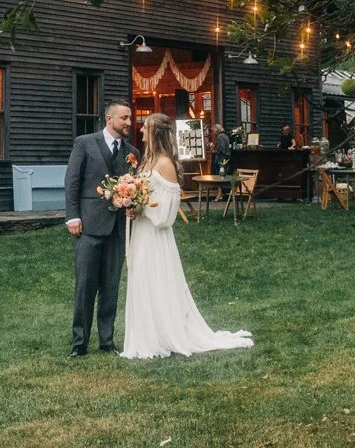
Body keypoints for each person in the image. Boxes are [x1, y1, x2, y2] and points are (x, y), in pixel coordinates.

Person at [121, 113, 253, 360]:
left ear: (156, 133)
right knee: (142, 279)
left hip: (156, 237)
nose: (140, 132)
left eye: (145, 128)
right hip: (142, 233)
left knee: (156, 280)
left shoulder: (164, 164)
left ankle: (164, 334)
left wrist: (142, 207)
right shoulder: (146, 161)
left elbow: (168, 212)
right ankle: (147, 334)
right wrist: (132, 203)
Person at [63, 99, 138, 357]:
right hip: (88, 227)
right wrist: (73, 217)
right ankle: (79, 343)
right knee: (85, 286)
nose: (129, 123)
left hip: (117, 228)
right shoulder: (84, 143)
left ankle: (107, 341)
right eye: (124, 118)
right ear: (109, 119)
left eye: (130, 118)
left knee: (111, 286)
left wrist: (133, 206)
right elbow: (72, 181)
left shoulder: (132, 153)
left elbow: (135, 188)